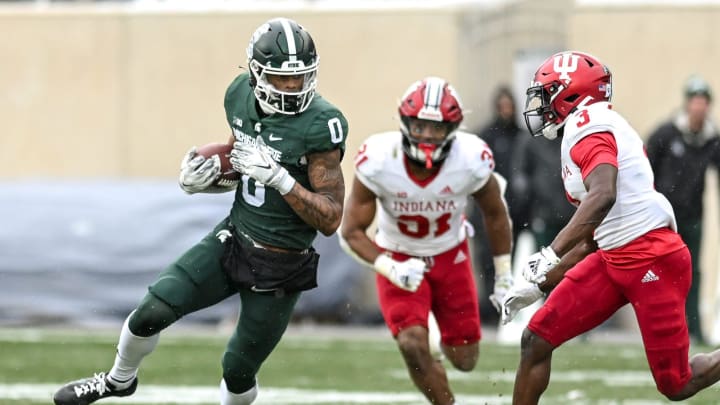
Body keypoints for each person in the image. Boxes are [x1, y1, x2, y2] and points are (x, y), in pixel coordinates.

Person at [53, 17, 348, 405]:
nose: (292, 87)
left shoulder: (320, 125)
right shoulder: (239, 96)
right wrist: (200, 182)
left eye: (300, 77)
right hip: (233, 240)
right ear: (256, 73)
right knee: (150, 311)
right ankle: (119, 380)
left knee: (238, 369)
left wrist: (281, 179)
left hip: (282, 264)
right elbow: (239, 164)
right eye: (281, 78)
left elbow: (330, 219)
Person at [500, 51, 720, 404]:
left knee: (676, 384)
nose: (540, 105)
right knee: (537, 339)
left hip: (651, 258)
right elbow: (593, 238)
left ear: (570, 93)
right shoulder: (589, 124)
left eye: (546, 93)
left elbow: (603, 194)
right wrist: (538, 286)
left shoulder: (586, 123)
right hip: (613, 255)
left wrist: (549, 253)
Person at [340, 77, 513, 405]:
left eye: (437, 128)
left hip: (451, 253)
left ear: (454, 128)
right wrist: (389, 267)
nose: (428, 136)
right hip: (398, 254)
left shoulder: (471, 157)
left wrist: (504, 274)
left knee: (465, 359)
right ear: (405, 123)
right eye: (420, 126)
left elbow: (494, 213)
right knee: (411, 343)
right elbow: (350, 231)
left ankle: (436, 337)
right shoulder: (379, 158)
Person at [645, 75, 720, 345]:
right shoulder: (666, 133)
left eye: (703, 102)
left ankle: (695, 329)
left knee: (692, 272)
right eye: (695, 101)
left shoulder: (712, 140)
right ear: (688, 104)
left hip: (694, 215)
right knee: (661, 272)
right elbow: (645, 168)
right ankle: (660, 327)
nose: (699, 107)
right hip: (664, 218)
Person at [468, 85, 530, 325]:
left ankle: (510, 308)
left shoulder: (521, 138)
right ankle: (490, 310)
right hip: (486, 213)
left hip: (514, 212)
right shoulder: (485, 137)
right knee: (487, 263)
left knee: (511, 261)